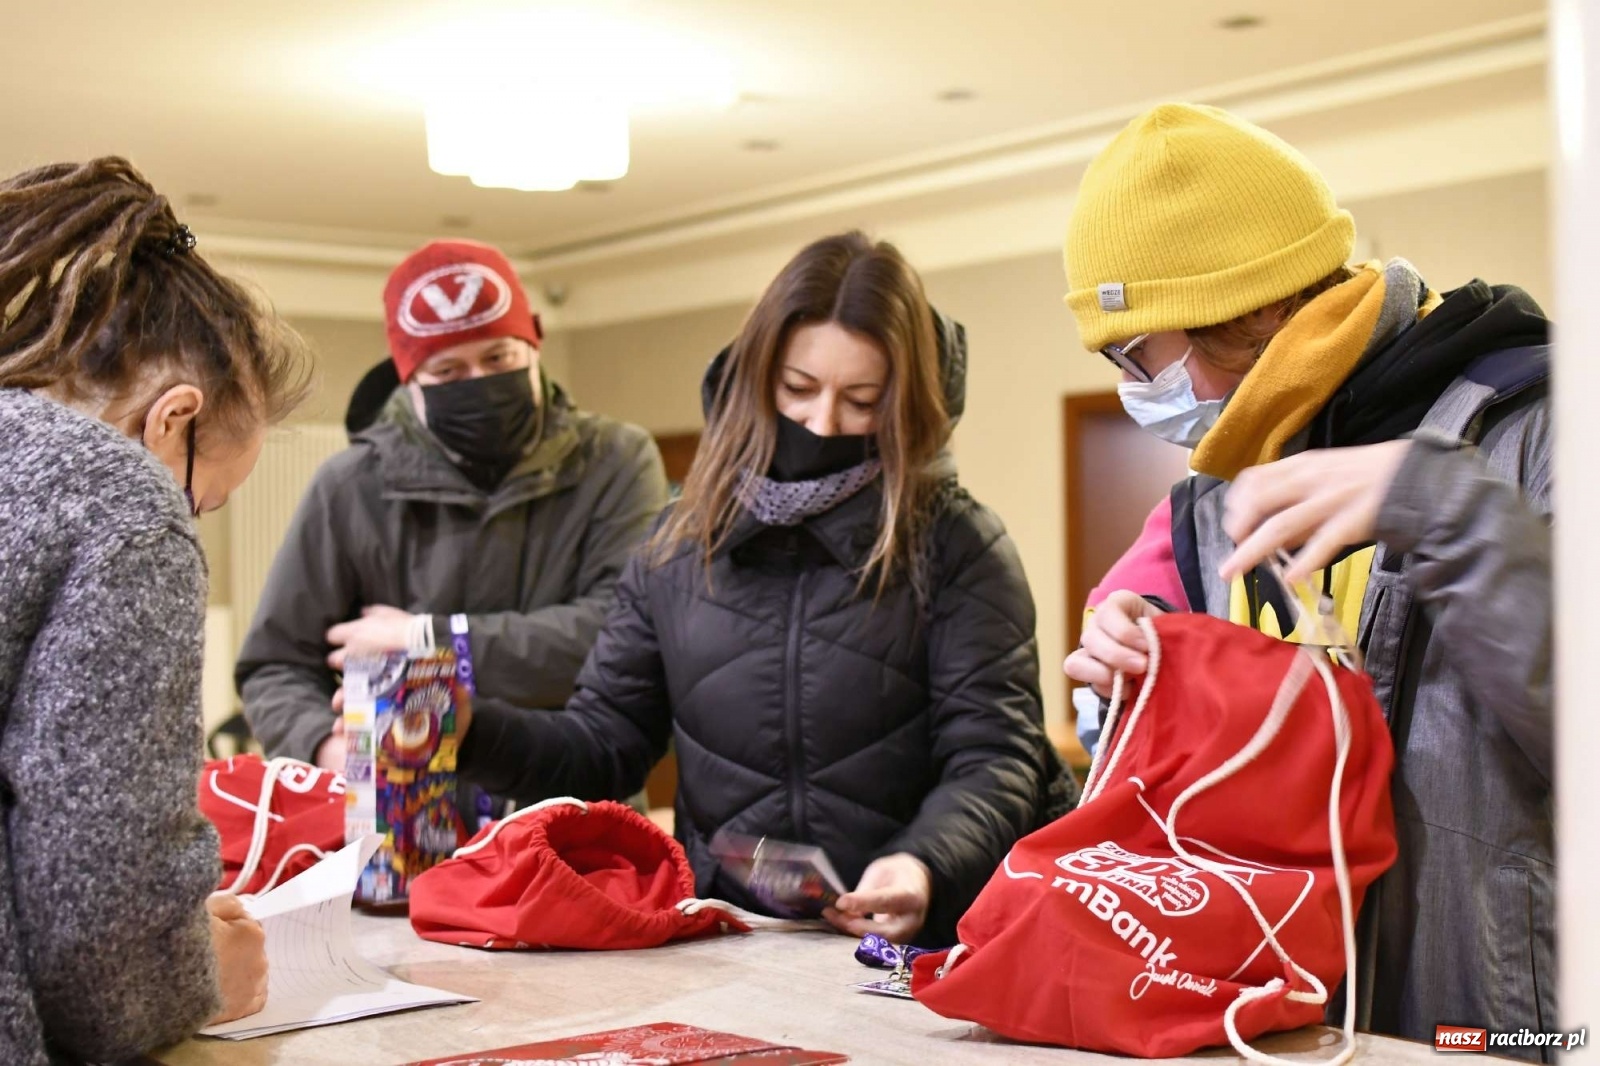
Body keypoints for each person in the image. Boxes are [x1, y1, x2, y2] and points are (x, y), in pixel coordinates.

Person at [1061, 104, 1552, 1052]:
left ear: (1257, 310)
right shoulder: (1213, 500)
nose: (1134, 390)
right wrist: (1136, 675)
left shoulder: (1550, 424)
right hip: (1284, 1022)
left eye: (1136, 355)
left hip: (1499, 1026)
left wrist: (1444, 509)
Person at [456, 232, 1074, 947]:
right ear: (756, 377)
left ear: (904, 403)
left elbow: (997, 758)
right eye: (799, 390)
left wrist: (923, 863)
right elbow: (604, 745)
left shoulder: (958, 544)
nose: (823, 423)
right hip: (733, 938)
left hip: (915, 944)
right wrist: (473, 732)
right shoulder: (675, 545)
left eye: (862, 400)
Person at [0, 158, 311, 1064]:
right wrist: (192, 974)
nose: (189, 520)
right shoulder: (121, 501)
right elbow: (96, 889)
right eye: (203, 502)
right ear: (171, 419)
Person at [236, 239, 669, 775]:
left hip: (571, 801)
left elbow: (617, 636)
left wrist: (430, 641)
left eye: (499, 358)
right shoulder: (348, 487)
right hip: (406, 813)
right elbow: (275, 664)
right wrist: (330, 750)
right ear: (409, 379)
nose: (481, 383)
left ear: (534, 347)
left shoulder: (617, 460)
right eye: (448, 372)